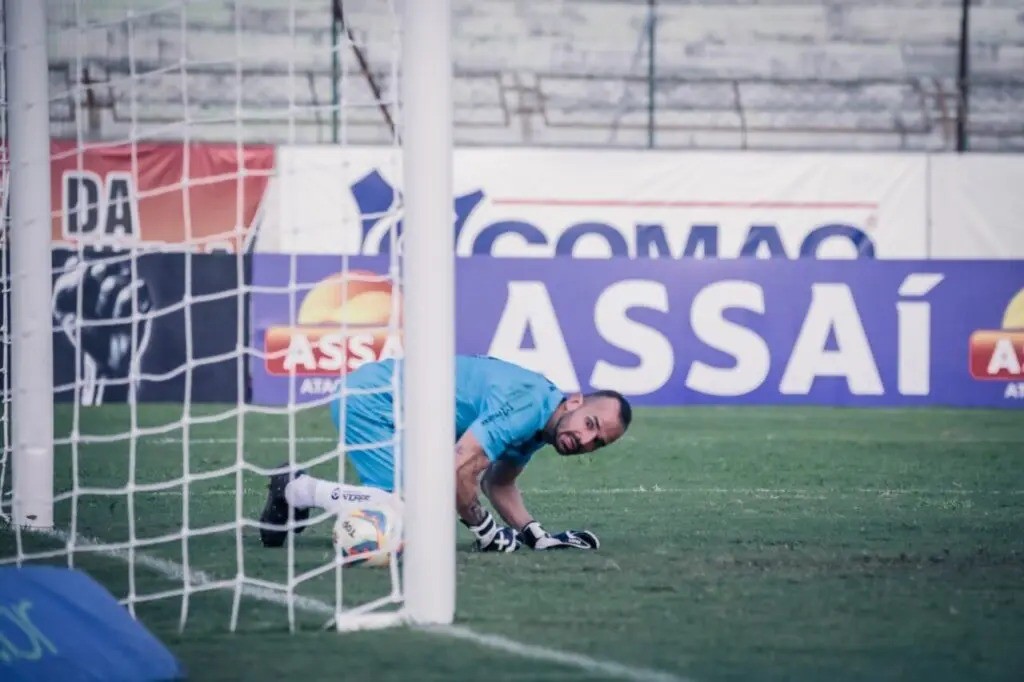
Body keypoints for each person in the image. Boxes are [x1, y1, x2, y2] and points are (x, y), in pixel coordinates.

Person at [260, 354, 632, 552]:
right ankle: (294, 488)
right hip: (374, 402)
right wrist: (485, 531)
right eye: (591, 425)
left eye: (597, 443)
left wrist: (534, 534)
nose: (585, 440)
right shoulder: (528, 406)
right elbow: (461, 468)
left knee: (399, 522)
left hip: (400, 414)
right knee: (407, 514)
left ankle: (299, 493)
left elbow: (499, 482)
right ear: (576, 402)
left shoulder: (545, 422)